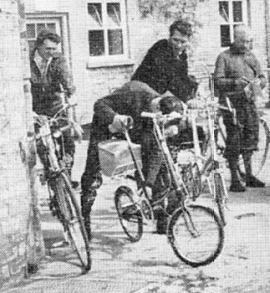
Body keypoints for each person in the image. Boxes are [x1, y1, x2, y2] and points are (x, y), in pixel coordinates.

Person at [80, 81, 183, 240]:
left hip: (135, 129)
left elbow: (156, 151)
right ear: (157, 109)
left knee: (161, 165)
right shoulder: (134, 91)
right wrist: (114, 117)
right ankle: (85, 218)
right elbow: (99, 104)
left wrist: (148, 182)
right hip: (107, 126)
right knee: (93, 171)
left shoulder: (156, 116)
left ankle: (162, 218)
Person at [214, 24, 267, 192]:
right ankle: (235, 179)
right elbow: (218, 80)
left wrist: (260, 83)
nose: (246, 45)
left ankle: (249, 174)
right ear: (235, 39)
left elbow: (262, 77)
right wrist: (235, 83)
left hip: (249, 103)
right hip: (231, 105)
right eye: (243, 41)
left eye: (249, 41)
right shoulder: (224, 57)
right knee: (234, 141)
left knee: (251, 138)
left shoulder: (251, 56)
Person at [30, 30, 82, 188]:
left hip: (55, 105)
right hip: (35, 108)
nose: (51, 53)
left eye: (54, 49)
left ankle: (66, 175)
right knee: (42, 144)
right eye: (48, 49)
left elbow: (66, 79)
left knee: (67, 140)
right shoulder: (27, 61)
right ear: (39, 46)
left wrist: (71, 97)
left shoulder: (58, 59)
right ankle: (51, 175)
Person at [131, 20, 198, 102]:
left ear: (188, 41)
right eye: (175, 40)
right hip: (142, 94)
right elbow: (164, 79)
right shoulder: (160, 47)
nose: (178, 45)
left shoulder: (182, 55)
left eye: (183, 42)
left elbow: (183, 78)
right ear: (169, 37)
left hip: (158, 95)